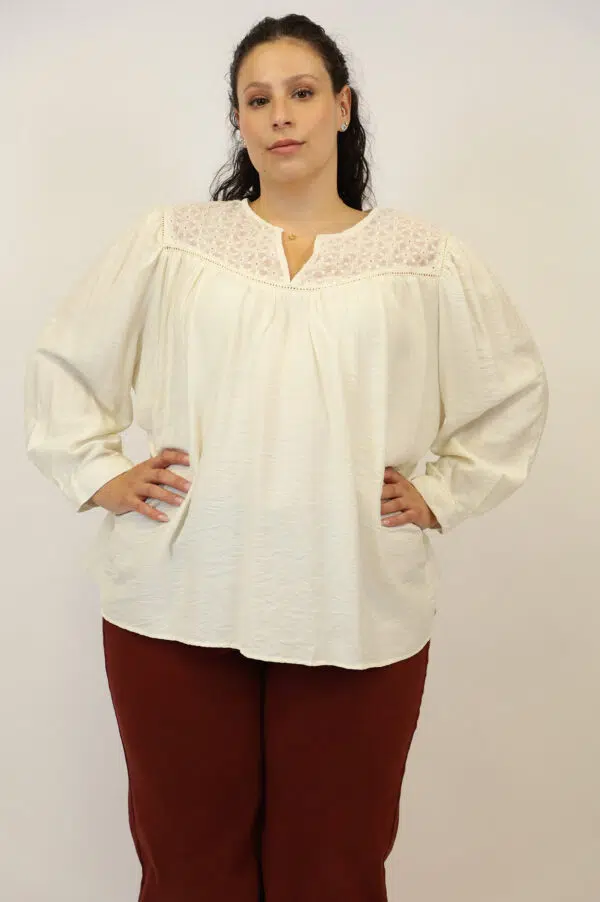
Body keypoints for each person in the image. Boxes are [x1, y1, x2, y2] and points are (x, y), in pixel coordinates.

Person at [23, 13, 549, 902]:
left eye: (301, 93)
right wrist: (98, 471)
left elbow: (510, 391)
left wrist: (442, 491)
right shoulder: (172, 243)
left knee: (333, 867)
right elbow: (68, 361)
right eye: (257, 99)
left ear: (342, 107)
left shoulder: (424, 261)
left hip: (354, 596)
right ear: (238, 120)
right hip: (176, 591)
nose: (280, 115)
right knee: (189, 864)